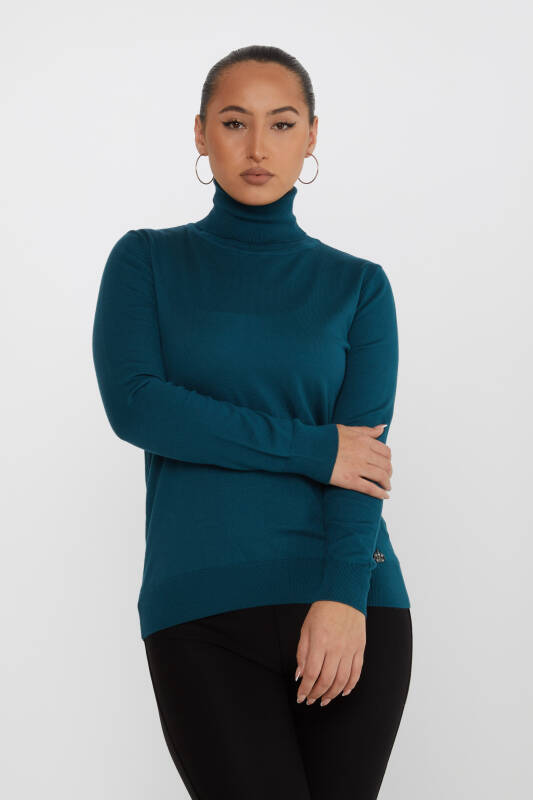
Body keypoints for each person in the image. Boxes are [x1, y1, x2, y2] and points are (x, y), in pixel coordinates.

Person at [92, 44, 412, 800]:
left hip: (350, 599)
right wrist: (313, 448)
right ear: (200, 134)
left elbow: (362, 461)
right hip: (201, 610)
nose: (258, 147)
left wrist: (345, 597)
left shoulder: (359, 286)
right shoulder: (146, 262)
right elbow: (138, 406)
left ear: (312, 136)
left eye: (282, 123)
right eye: (235, 123)